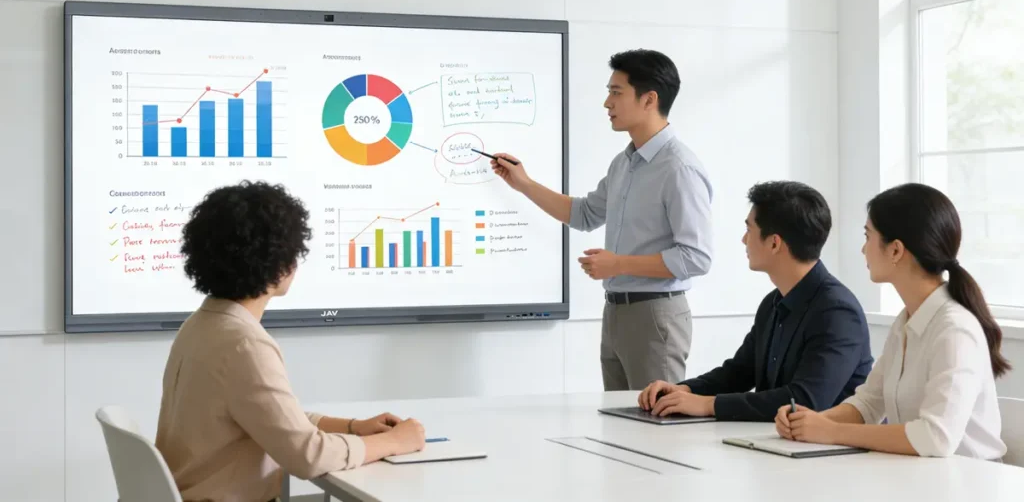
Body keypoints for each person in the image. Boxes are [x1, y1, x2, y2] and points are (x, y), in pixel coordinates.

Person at [155, 180, 426, 502]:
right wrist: (396, 442)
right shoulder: (244, 344)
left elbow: (276, 420)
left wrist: (353, 427)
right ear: (279, 262)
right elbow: (307, 456)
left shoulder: (201, 325)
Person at [491, 49, 713, 391]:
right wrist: (525, 184)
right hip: (616, 313)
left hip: (655, 315)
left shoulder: (678, 168)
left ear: (649, 99)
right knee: (620, 419)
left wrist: (618, 264)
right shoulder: (624, 163)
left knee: (656, 419)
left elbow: (696, 257)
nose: (607, 103)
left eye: (616, 92)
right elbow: (583, 214)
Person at [775, 183, 1010, 459]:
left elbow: (935, 438)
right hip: (920, 474)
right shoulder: (907, 321)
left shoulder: (955, 329)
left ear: (896, 250)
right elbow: (868, 404)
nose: (863, 249)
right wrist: (808, 422)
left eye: (868, 236)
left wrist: (831, 432)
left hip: (969, 480)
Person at [638, 181, 873, 421]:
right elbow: (740, 372)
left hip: (829, 444)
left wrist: (709, 405)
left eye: (749, 230)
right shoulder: (773, 302)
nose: (743, 239)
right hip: (778, 438)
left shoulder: (837, 312)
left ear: (774, 243)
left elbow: (805, 399)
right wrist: (685, 390)